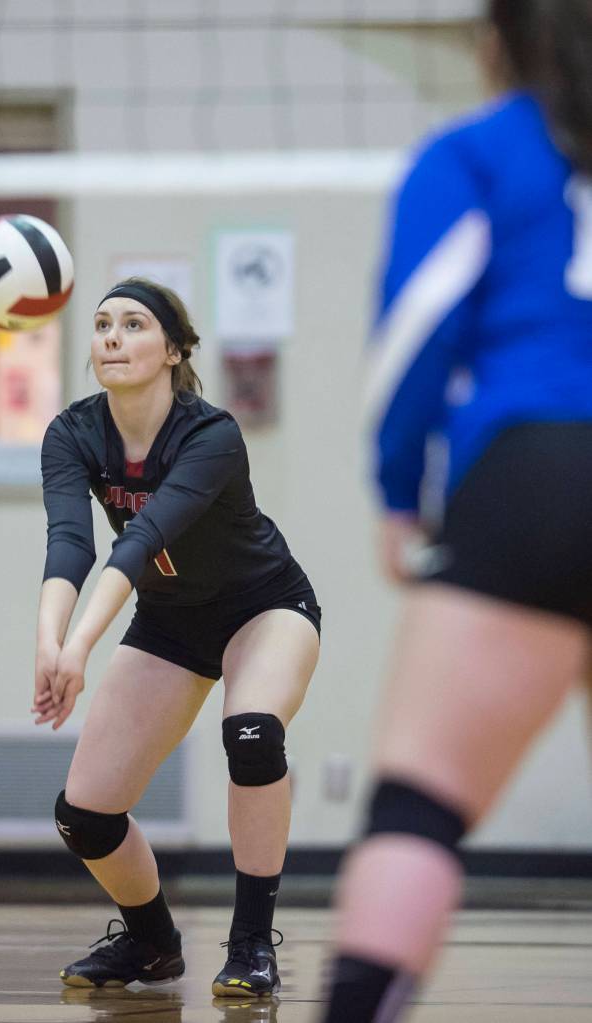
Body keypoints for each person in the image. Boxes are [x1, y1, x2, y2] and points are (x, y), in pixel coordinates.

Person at [322, 2, 592, 1020]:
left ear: (497, 40)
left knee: (419, 803)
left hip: (537, 474)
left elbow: (413, 339)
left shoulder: (476, 152)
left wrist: (398, 495)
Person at [32, 277, 320, 998]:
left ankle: (252, 944)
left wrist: (82, 648)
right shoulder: (72, 432)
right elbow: (70, 543)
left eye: (133, 324)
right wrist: (49, 640)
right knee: (85, 815)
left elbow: (140, 541)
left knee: (251, 734)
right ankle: (151, 943)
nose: (111, 337)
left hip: (263, 605)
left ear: (173, 349)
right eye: (101, 325)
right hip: (170, 620)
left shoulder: (210, 432)